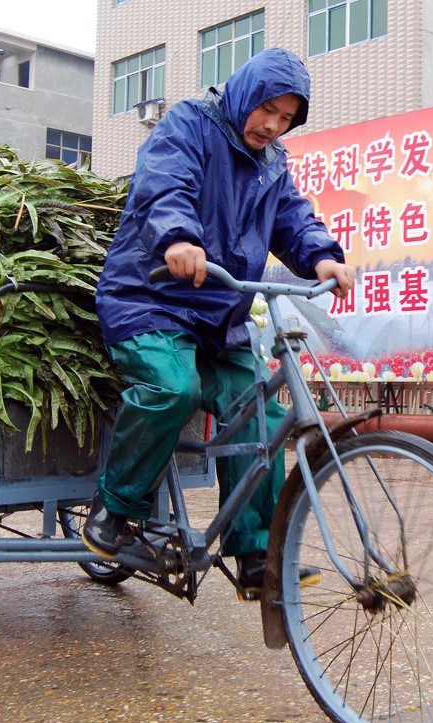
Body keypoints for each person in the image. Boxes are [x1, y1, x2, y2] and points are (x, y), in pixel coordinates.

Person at [85, 48, 354, 599]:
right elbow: (165, 184)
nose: (273, 125)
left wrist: (321, 255)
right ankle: (113, 509)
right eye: (267, 110)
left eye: (286, 118)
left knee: (258, 405)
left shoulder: (272, 162)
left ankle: (257, 554)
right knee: (172, 386)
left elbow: (291, 217)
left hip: (217, 314)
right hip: (150, 297)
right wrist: (179, 238)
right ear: (245, 92)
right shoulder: (188, 124)